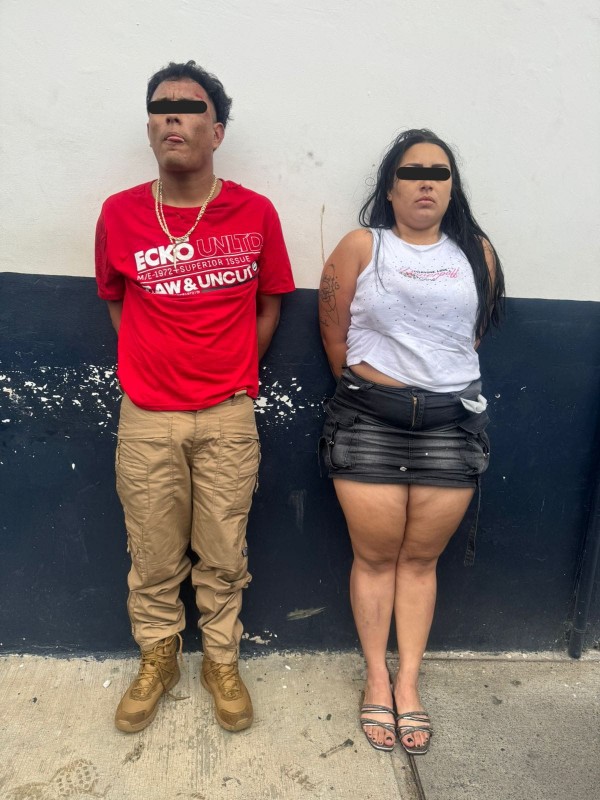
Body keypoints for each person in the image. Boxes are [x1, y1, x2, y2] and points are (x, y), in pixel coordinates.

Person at [95, 61, 295, 734]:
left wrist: (230, 370)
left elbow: (270, 304)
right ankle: (158, 657)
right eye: (159, 108)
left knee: (224, 553)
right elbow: (117, 302)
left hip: (227, 415)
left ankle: (221, 661)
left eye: (187, 107)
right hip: (147, 417)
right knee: (152, 553)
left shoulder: (255, 213)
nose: (170, 117)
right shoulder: (119, 214)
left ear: (217, 130)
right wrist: (152, 366)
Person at [318, 129, 504, 754]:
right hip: (369, 421)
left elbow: (469, 337)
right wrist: (377, 386)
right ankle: (377, 678)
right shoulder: (362, 246)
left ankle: (409, 683)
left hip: (451, 426)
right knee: (374, 558)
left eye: (440, 173)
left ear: (452, 188)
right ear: (391, 187)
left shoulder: (477, 252)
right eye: (412, 172)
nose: (427, 182)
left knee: (421, 561)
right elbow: (333, 331)